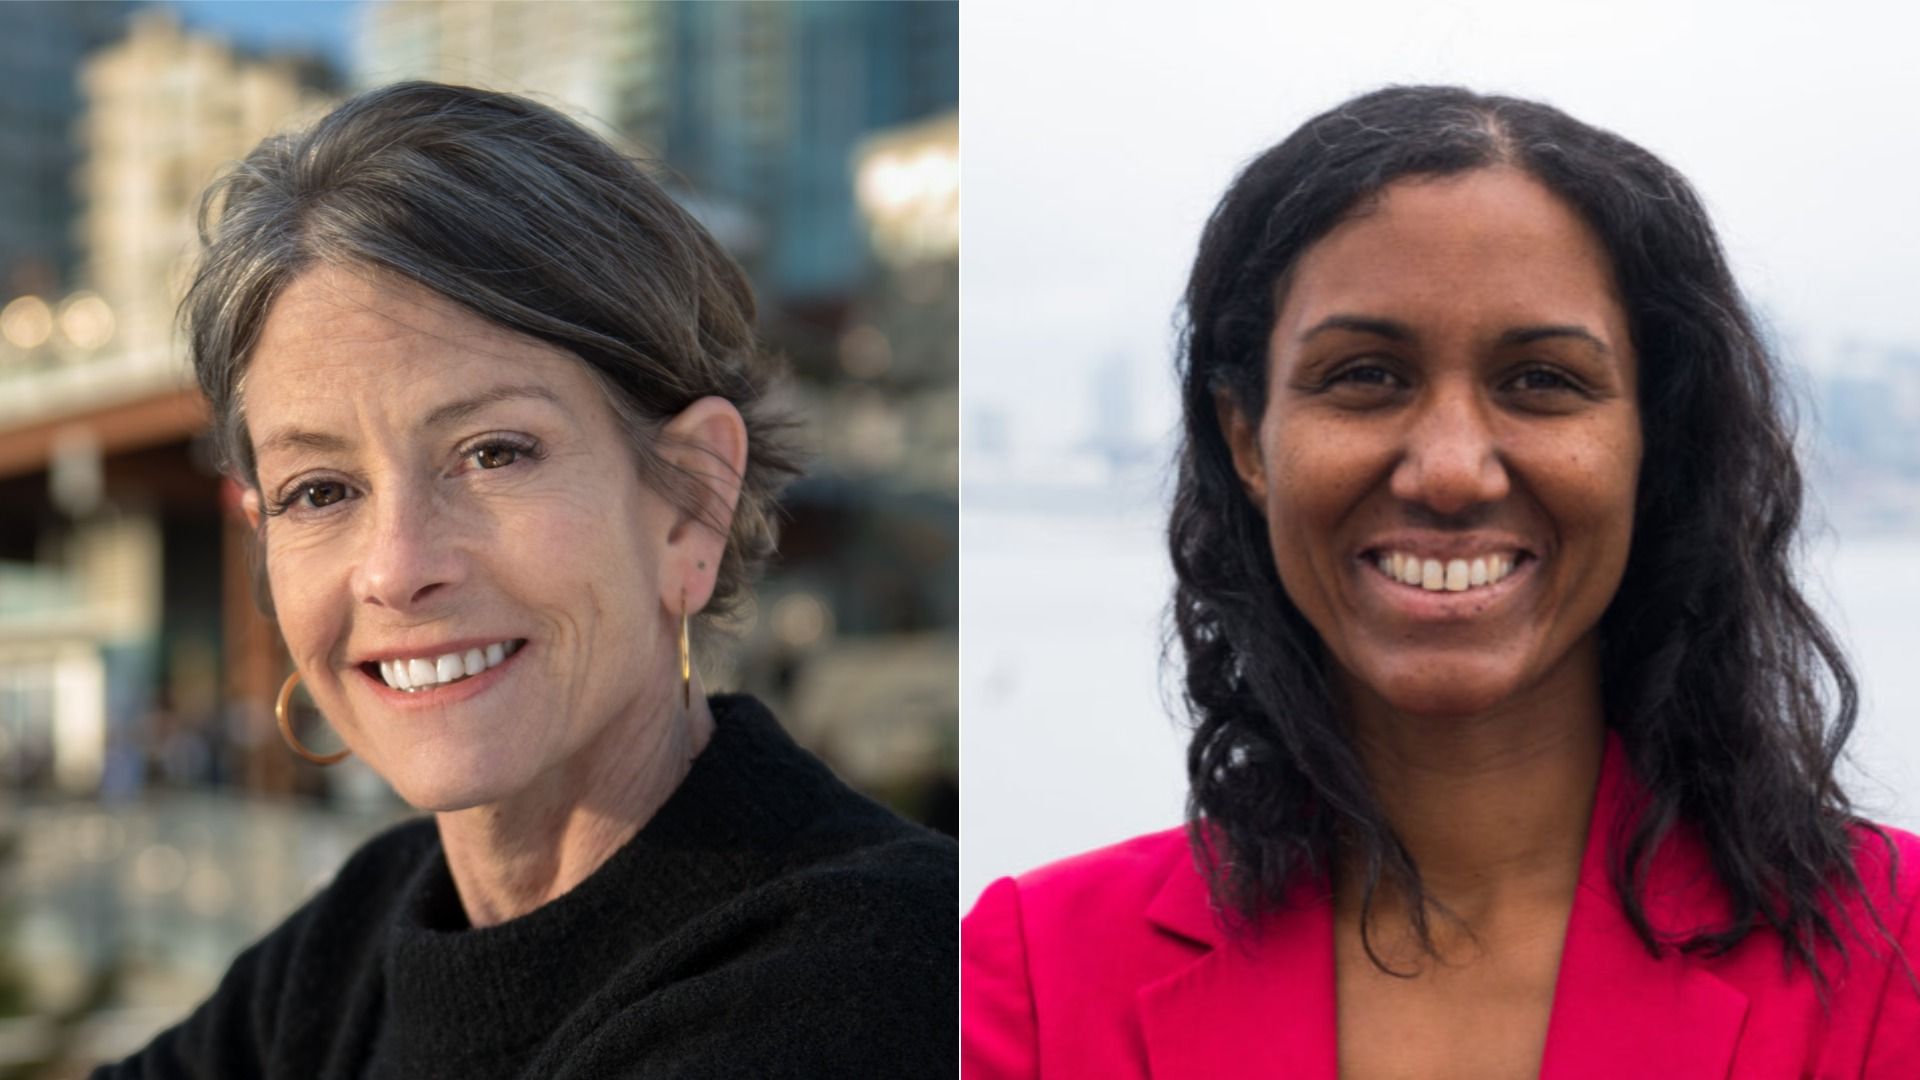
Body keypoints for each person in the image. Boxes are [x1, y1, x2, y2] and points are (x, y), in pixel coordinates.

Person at [962, 85, 1920, 1078]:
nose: (1454, 469)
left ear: (1652, 442)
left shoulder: (1898, 955)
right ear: (1248, 439)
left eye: (1541, 380)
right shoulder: (1024, 977)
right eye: (1366, 375)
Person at [93, 82, 955, 1078]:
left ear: (691, 504)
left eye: (494, 453)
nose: (396, 568)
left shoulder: (869, 978)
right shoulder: (353, 947)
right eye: (321, 489)